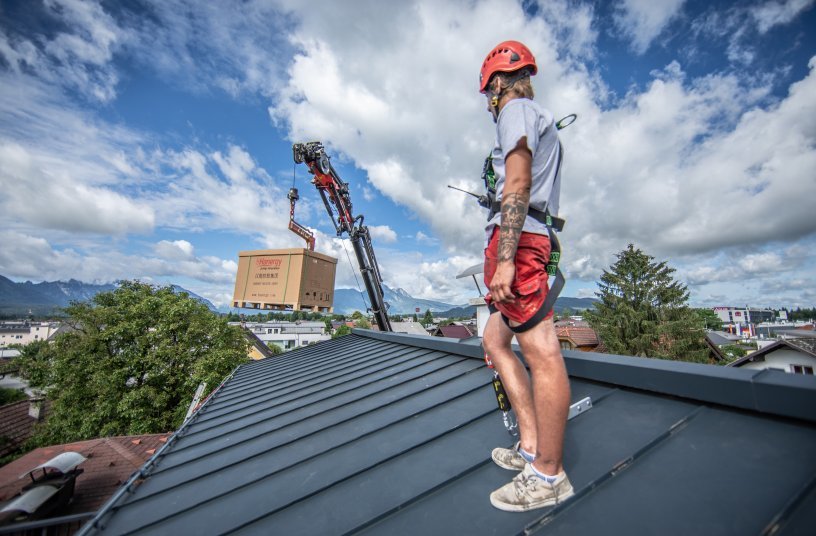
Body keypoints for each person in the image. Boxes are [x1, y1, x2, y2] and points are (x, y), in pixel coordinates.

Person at [479, 40, 574, 512]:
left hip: (519, 242)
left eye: (488, 94)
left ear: (497, 83)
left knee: (541, 352)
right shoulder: (533, 118)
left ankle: (548, 474)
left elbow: (517, 184)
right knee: (496, 342)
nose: (489, 103)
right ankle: (531, 447)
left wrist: (506, 258)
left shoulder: (515, 110)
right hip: (522, 238)